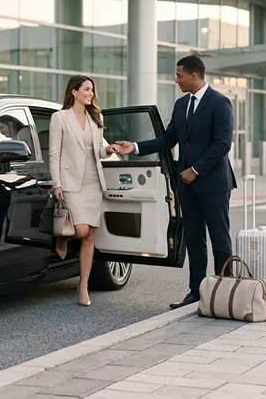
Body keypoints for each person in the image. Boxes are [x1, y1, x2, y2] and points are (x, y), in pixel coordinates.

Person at [113, 55, 237, 309]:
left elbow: (222, 144)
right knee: (194, 240)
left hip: (214, 184)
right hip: (187, 186)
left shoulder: (220, 103)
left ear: (194, 75)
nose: (176, 80)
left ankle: (224, 296)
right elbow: (168, 139)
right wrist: (134, 146)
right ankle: (196, 292)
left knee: (220, 240)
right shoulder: (181, 105)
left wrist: (195, 170)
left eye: (180, 75)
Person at [48, 75, 121, 307]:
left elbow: (98, 150)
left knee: (90, 235)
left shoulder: (96, 116)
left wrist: (108, 149)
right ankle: (62, 237)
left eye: (92, 90)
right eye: (87, 89)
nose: (91, 94)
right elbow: (54, 154)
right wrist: (56, 183)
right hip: (70, 181)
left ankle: (83, 287)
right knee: (80, 230)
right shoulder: (59, 118)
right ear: (74, 91)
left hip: (93, 182)